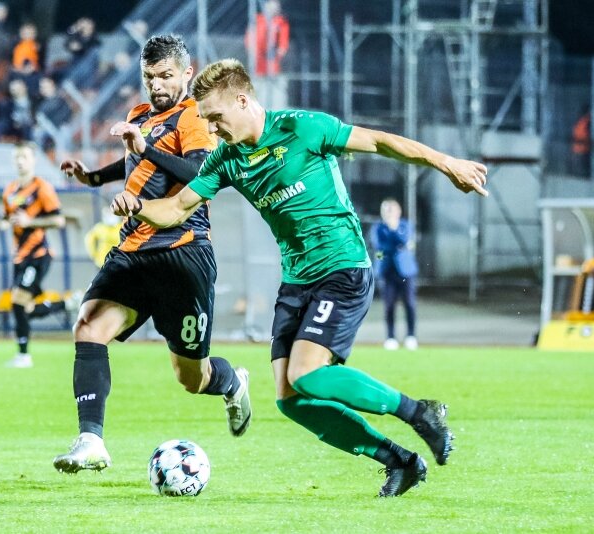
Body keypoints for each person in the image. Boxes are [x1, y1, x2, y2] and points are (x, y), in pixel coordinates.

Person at [110, 58, 489, 497]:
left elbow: (380, 141)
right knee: (291, 400)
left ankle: (420, 413)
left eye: (215, 117)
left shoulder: (302, 128)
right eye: (206, 121)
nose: (211, 129)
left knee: (308, 374)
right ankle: (400, 461)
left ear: (242, 100)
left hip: (342, 267)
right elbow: (177, 209)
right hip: (296, 281)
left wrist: (446, 162)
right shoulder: (226, 159)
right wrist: (138, 206)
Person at [53, 35, 252, 475]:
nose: (156, 85)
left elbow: (201, 172)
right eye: (149, 77)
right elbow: (135, 165)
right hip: (133, 250)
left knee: (191, 377)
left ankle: (231, 381)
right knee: (88, 327)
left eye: (165, 75)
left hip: (183, 253)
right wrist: (94, 177)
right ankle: (91, 440)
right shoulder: (140, 115)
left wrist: (145, 148)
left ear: (186, 73)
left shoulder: (195, 116)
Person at [0, 141, 66, 368]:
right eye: (17, 157)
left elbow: (58, 220)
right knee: (23, 309)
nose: (20, 161)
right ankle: (64, 305)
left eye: (24, 157)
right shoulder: (10, 190)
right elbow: (7, 220)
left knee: (17, 302)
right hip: (19, 257)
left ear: (33, 160)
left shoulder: (42, 188)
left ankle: (23, 356)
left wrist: (30, 221)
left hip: (38, 254)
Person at [370, 199, 419, 351]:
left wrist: (393, 230)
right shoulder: (378, 227)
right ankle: (390, 337)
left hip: (405, 271)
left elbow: (405, 240)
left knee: (409, 304)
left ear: (398, 211)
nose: (388, 213)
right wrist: (397, 246)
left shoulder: (406, 225)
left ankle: (411, 336)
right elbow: (379, 246)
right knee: (389, 306)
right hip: (387, 271)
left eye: (391, 210)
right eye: (385, 210)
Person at [245, 0, 290, 109]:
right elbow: (249, 40)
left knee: (275, 94)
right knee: (257, 93)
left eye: (275, 6)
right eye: (270, 5)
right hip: (257, 66)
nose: (272, 8)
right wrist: (253, 53)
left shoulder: (281, 22)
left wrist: (277, 54)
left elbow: (283, 45)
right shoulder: (257, 20)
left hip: (273, 66)